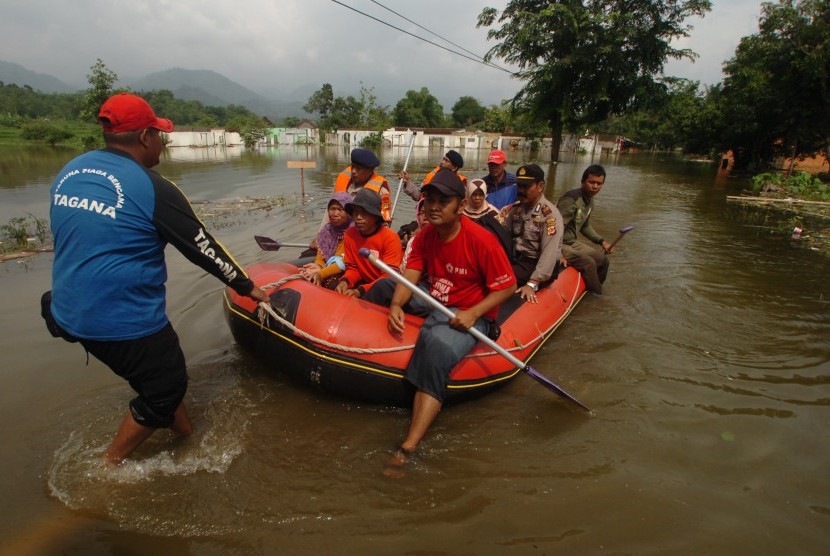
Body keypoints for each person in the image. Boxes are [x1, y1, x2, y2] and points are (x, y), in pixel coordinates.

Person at [47, 92, 268, 466]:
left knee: (162, 369)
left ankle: (185, 435)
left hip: (63, 308)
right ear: (145, 137)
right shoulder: (151, 187)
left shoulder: (71, 171)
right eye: (160, 134)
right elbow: (203, 248)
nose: (162, 142)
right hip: (117, 318)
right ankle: (109, 466)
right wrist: (248, 286)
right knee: (166, 387)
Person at [363, 168, 516, 476]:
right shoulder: (425, 236)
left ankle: (408, 446)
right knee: (382, 287)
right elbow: (411, 276)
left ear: (459, 206)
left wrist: (474, 313)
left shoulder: (482, 241)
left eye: (442, 201)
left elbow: (507, 287)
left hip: (469, 313)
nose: (433, 206)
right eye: (429, 199)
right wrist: (396, 303)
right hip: (436, 298)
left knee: (436, 348)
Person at [500, 164, 563, 304]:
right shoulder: (517, 210)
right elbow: (503, 236)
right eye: (519, 186)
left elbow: (549, 253)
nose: (521, 190)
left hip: (534, 264)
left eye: (526, 187)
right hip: (517, 260)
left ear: (540, 186)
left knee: (500, 279)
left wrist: (532, 283)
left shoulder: (550, 216)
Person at [335, 188, 403, 298]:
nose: (358, 218)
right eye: (356, 212)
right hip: (363, 282)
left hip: (385, 287)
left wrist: (360, 291)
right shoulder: (349, 235)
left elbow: (388, 277)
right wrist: (345, 282)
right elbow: (353, 268)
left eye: (364, 213)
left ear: (376, 217)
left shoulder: (391, 238)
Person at [556, 164, 613, 294]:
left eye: (599, 183)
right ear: (583, 182)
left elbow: (585, 226)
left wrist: (601, 241)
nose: (595, 187)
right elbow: (555, 228)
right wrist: (557, 252)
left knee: (602, 260)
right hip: (559, 243)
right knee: (589, 263)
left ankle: (595, 288)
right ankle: (596, 296)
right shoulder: (572, 199)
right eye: (591, 182)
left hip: (571, 242)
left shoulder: (590, 202)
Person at [301, 192, 352, 288]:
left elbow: (342, 263)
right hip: (327, 266)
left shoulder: (353, 233)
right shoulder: (327, 230)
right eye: (332, 209)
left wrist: (320, 273)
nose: (335, 214)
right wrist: (318, 266)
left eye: (340, 209)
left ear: (348, 213)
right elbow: (321, 255)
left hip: (347, 270)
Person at [333, 148, 392, 222]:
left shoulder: (382, 191)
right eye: (353, 166)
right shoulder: (343, 180)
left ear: (371, 170)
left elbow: (385, 220)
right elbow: (331, 210)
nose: (353, 171)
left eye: (359, 168)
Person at [400, 149, 467, 201]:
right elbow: (418, 195)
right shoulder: (432, 176)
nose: (442, 162)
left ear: (454, 167)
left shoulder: (459, 184)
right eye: (443, 159)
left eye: (446, 161)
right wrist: (407, 182)